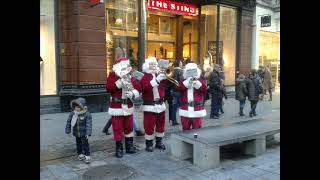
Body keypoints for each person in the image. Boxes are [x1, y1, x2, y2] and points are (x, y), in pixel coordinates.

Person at [106, 57, 142, 158]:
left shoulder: (130, 77)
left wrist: (133, 93)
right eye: (123, 66)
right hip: (117, 107)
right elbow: (109, 88)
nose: (125, 68)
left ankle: (129, 147)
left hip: (128, 107)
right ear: (118, 67)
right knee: (117, 129)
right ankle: (119, 149)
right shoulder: (113, 76)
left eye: (126, 66)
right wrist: (119, 83)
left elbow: (138, 88)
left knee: (129, 127)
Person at [140, 57, 167, 152]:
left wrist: (166, 79)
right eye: (151, 64)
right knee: (149, 125)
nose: (153, 65)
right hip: (150, 105)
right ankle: (149, 144)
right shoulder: (144, 76)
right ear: (147, 65)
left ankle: (159, 142)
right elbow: (145, 88)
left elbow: (166, 88)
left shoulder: (160, 74)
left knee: (161, 124)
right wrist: (157, 81)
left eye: (155, 64)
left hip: (161, 104)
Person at [178, 63, 207, 130]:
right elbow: (180, 88)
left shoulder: (201, 80)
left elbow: (204, 89)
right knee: (185, 128)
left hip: (197, 108)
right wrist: (188, 82)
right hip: (185, 108)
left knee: (197, 129)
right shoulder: (183, 81)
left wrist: (195, 82)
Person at [65, 97, 92, 164]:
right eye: (75, 107)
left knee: (85, 145)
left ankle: (87, 156)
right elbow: (68, 122)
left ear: (82, 107)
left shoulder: (87, 114)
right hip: (76, 132)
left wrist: (88, 133)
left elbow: (89, 124)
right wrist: (68, 131)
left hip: (84, 133)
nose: (77, 108)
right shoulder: (73, 113)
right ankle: (80, 154)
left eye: (78, 107)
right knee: (78, 144)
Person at [169, 59, 184, 126]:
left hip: (173, 90)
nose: (182, 64)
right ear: (179, 64)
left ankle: (174, 121)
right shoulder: (181, 71)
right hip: (179, 91)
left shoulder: (171, 71)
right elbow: (181, 81)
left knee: (174, 106)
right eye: (181, 63)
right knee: (182, 106)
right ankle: (184, 119)